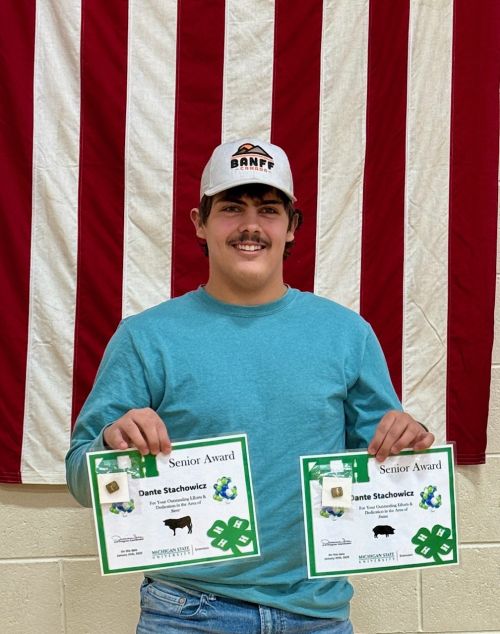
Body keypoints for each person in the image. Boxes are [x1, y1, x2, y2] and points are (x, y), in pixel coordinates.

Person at [66, 139, 434, 633]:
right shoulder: (145, 337)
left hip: (317, 615)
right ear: (199, 221)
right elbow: (78, 477)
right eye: (231, 208)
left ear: (292, 228)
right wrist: (112, 441)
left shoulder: (346, 334)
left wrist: (407, 440)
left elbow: (384, 461)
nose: (250, 226)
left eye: (268, 209)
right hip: (188, 612)